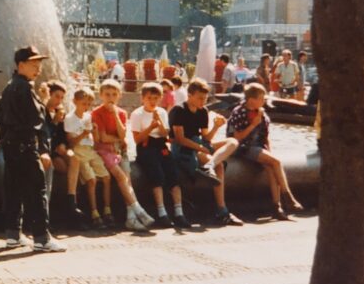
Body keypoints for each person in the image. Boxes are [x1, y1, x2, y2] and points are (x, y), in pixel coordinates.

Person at [0, 46, 66, 252]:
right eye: (33, 64)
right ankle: (42, 238)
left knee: (14, 190)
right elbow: (36, 122)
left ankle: (13, 234)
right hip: (26, 146)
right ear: (21, 65)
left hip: (11, 146)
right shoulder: (24, 89)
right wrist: (43, 149)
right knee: (37, 191)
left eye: (39, 64)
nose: (38, 68)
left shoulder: (10, 87)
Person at [169, 78, 243, 226]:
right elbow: (180, 139)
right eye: (200, 98)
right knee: (219, 166)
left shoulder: (203, 111)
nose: (203, 101)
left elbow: (206, 138)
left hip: (199, 144)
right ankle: (222, 209)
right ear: (189, 95)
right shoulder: (178, 110)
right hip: (183, 148)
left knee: (233, 142)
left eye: (205, 98)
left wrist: (216, 127)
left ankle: (209, 165)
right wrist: (201, 148)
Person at [227, 83, 305, 219]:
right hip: (243, 147)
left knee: (271, 167)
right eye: (262, 98)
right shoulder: (239, 112)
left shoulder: (261, 112)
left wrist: (269, 151)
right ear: (252, 100)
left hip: (258, 147)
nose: (264, 101)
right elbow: (237, 137)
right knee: (276, 162)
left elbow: (265, 136)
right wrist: (253, 124)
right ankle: (288, 196)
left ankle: (277, 207)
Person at [92, 79, 153, 232]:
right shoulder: (96, 113)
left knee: (127, 180)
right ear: (101, 95)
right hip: (104, 151)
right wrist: (118, 139)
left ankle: (130, 218)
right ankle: (138, 210)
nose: (110, 98)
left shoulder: (121, 113)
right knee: (121, 177)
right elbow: (103, 138)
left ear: (119, 96)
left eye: (114, 94)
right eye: (107, 94)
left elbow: (122, 134)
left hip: (120, 150)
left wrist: (115, 116)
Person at [130, 83, 184, 229]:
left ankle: (179, 212)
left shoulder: (162, 112)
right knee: (157, 176)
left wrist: (158, 121)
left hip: (160, 145)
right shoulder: (137, 114)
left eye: (155, 98)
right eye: (149, 98)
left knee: (173, 175)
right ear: (143, 98)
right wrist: (150, 127)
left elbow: (165, 133)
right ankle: (162, 212)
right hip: (146, 146)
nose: (152, 101)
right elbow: (137, 139)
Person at [65, 88, 111, 228]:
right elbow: (71, 142)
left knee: (106, 177)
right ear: (75, 102)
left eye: (88, 104)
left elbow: (94, 139)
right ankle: (94, 213)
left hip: (90, 150)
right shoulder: (69, 118)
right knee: (92, 180)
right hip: (79, 151)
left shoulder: (87, 116)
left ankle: (107, 210)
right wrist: (84, 134)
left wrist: (94, 131)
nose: (86, 107)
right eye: (83, 103)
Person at [41, 80, 83, 227]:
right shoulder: (42, 111)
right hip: (46, 151)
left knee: (74, 159)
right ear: (49, 95)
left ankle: (72, 201)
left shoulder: (60, 113)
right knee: (61, 167)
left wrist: (63, 145)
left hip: (57, 150)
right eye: (56, 96)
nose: (59, 101)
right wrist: (54, 122)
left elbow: (62, 136)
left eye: (62, 98)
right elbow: (44, 135)